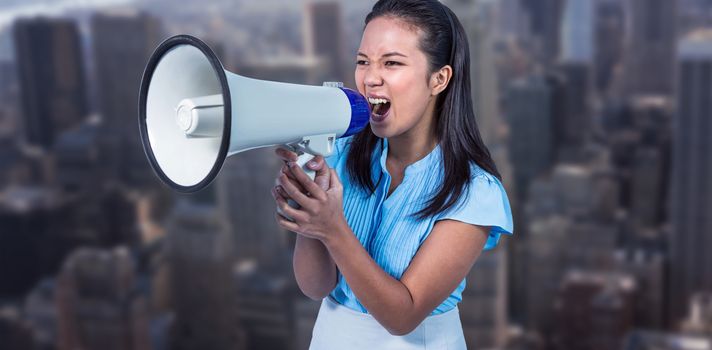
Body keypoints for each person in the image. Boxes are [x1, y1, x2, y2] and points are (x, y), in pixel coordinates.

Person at [271, 0, 514, 348]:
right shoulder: (341, 154)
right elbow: (316, 287)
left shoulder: (474, 192)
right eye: (363, 62)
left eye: (392, 63)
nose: (370, 78)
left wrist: (331, 227)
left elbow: (402, 316)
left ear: (439, 79)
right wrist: (309, 219)